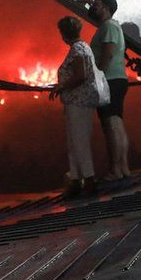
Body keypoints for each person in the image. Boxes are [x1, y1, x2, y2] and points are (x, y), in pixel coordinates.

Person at [78, 0, 131, 180]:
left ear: (107, 9)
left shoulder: (108, 27)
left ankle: (115, 170)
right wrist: (87, 2)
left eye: (97, 5)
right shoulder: (111, 25)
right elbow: (95, 13)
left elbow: (107, 52)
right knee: (116, 123)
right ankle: (123, 168)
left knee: (111, 125)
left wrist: (98, 74)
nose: (94, 7)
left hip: (109, 80)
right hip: (117, 80)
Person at [50, 17, 102, 197]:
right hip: (78, 102)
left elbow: (81, 75)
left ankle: (89, 180)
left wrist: (62, 86)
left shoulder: (77, 50)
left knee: (79, 142)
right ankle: (76, 181)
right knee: (74, 143)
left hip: (78, 103)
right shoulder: (83, 47)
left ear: (64, 34)